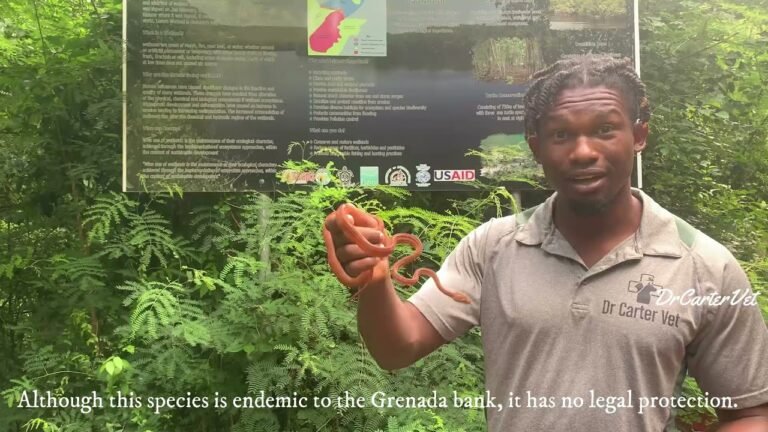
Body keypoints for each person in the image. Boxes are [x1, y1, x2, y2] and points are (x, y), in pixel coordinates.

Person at [323, 55, 768, 431]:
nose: (582, 151)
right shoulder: (492, 247)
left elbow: (752, 411)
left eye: (605, 129)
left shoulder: (704, 266)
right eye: (561, 134)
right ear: (536, 147)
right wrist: (373, 278)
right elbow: (396, 348)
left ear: (639, 136)